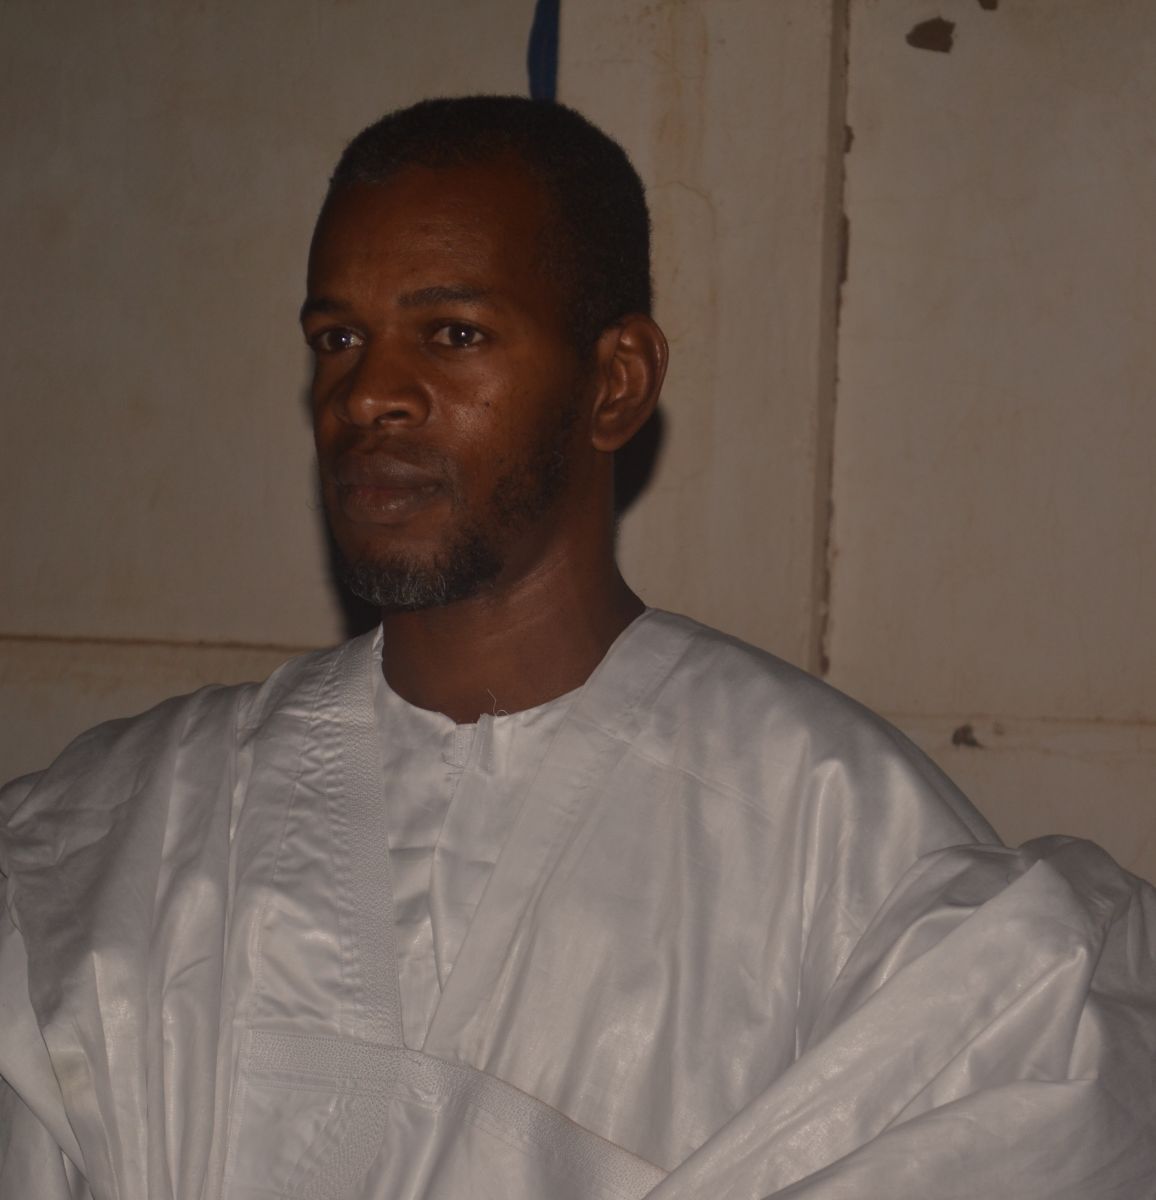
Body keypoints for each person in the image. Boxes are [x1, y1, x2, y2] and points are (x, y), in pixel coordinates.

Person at [1, 96, 1153, 1200]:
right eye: (338, 338)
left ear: (615, 383)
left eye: (452, 334)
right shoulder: (138, 823)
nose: (369, 395)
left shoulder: (830, 831)